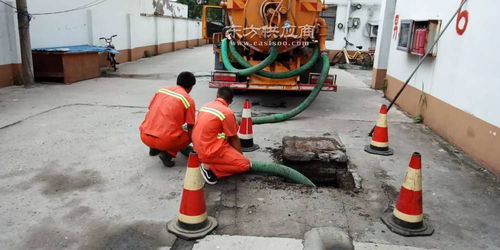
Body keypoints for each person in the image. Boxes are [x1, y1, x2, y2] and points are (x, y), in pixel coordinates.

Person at [192, 87, 251, 184]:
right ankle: (209, 168)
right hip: (209, 152)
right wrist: (240, 156)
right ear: (231, 101)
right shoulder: (227, 112)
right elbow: (233, 138)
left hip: (197, 148)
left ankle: (208, 162)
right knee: (244, 164)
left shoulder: (205, 106)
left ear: (217, 95)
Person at [139, 72, 196, 167]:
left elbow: (150, 108)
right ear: (191, 87)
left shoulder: (161, 90)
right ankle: (168, 154)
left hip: (144, 136)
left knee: (159, 120)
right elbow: (190, 125)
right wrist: (196, 145)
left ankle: (154, 148)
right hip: (165, 141)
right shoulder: (188, 100)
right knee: (190, 133)